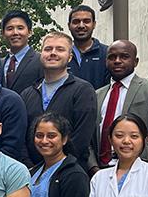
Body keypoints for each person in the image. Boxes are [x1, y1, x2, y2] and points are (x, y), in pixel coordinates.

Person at [19, 32, 96, 170]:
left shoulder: (83, 91)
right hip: (32, 173)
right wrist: (29, 167)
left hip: (69, 172)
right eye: (48, 49)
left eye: (60, 49)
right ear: (41, 54)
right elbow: (21, 136)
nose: (53, 53)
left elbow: (82, 137)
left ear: (70, 56)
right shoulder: (27, 94)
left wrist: (59, 168)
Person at [91, 40, 148, 170]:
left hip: (142, 171)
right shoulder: (97, 95)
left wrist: (126, 167)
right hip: (100, 173)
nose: (117, 61)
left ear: (136, 61)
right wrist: (93, 168)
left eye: (124, 56)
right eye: (112, 57)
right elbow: (90, 137)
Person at [0, 10, 43, 96]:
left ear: (29, 32)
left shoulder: (40, 61)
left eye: (20, 28)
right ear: (3, 34)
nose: (15, 33)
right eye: (10, 29)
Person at [67, 5, 109, 88]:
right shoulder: (62, 54)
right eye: (76, 22)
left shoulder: (107, 53)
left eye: (86, 21)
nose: (81, 26)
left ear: (94, 24)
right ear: (69, 25)